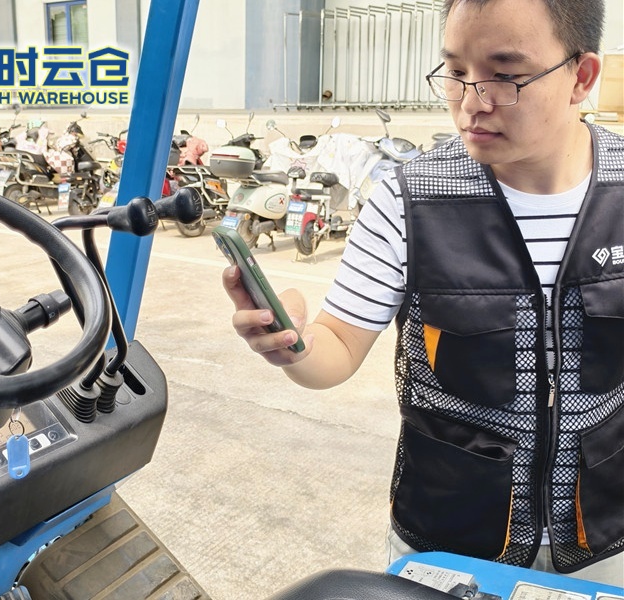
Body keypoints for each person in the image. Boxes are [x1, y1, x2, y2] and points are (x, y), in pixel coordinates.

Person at [223, 0, 624, 587]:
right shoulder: (407, 202)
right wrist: (293, 345)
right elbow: (336, 349)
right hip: (450, 539)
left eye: (504, 75)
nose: (471, 102)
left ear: (581, 78)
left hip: (605, 538)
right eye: (456, 72)